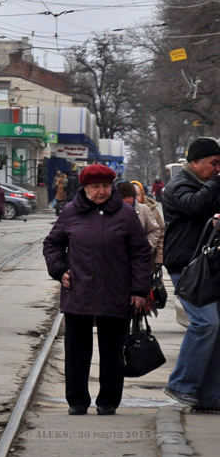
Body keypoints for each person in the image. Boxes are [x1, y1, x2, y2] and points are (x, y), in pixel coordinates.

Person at [44, 164, 152, 416]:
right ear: (85, 188)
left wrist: (139, 289)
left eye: (105, 186)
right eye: (95, 187)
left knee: (113, 349)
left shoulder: (126, 214)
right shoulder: (70, 212)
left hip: (117, 292)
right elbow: (52, 244)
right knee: (77, 350)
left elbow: (140, 253)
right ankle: (77, 400)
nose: (101, 191)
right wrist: (60, 271)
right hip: (78, 291)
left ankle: (108, 401)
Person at [161, 137, 220, 411]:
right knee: (205, 323)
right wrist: (215, 183)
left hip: (209, 264)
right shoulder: (178, 185)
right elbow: (195, 206)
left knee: (216, 328)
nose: (217, 169)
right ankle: (181, 384)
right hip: (187, 266)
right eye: (214, 163)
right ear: (195, 162)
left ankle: (210, 396)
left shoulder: (206, 184)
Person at [118, 181, 163, 270]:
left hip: (141, 260)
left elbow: (156, 230)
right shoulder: (114, 211)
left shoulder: (144, 209)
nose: (127, 200)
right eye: (124, 198)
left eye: (129, 197)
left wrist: (147, 246)